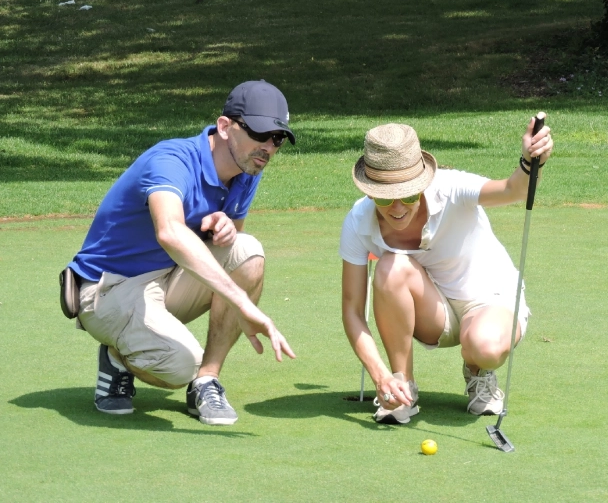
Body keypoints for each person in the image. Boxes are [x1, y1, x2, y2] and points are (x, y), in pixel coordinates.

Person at [67, 79, 297, 426]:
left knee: (247, 252)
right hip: (107, 289)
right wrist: (244, 304)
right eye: (259, 133)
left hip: (165, 280)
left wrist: (224, 227)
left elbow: (235, 240)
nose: (267, 147)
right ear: (224, 126)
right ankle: (117, 356)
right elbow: (170, 231)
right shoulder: (171, 159)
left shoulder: (247, 168)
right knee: (179, 365)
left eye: (277, 138)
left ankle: (207, 380)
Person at [339, 118, 553, 424]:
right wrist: (380, 375)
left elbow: (512, 190)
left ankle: (478, 371)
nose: (397, 207)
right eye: (386, 197)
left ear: (423, 183)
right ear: (370, 192)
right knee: (390, 266)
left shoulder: (451, 187)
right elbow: (352, 311)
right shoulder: (358, 222)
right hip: (433, 312)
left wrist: (531, 162)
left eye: (409, 195)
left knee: (485, 346)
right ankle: (402, 388)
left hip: (489, 299)